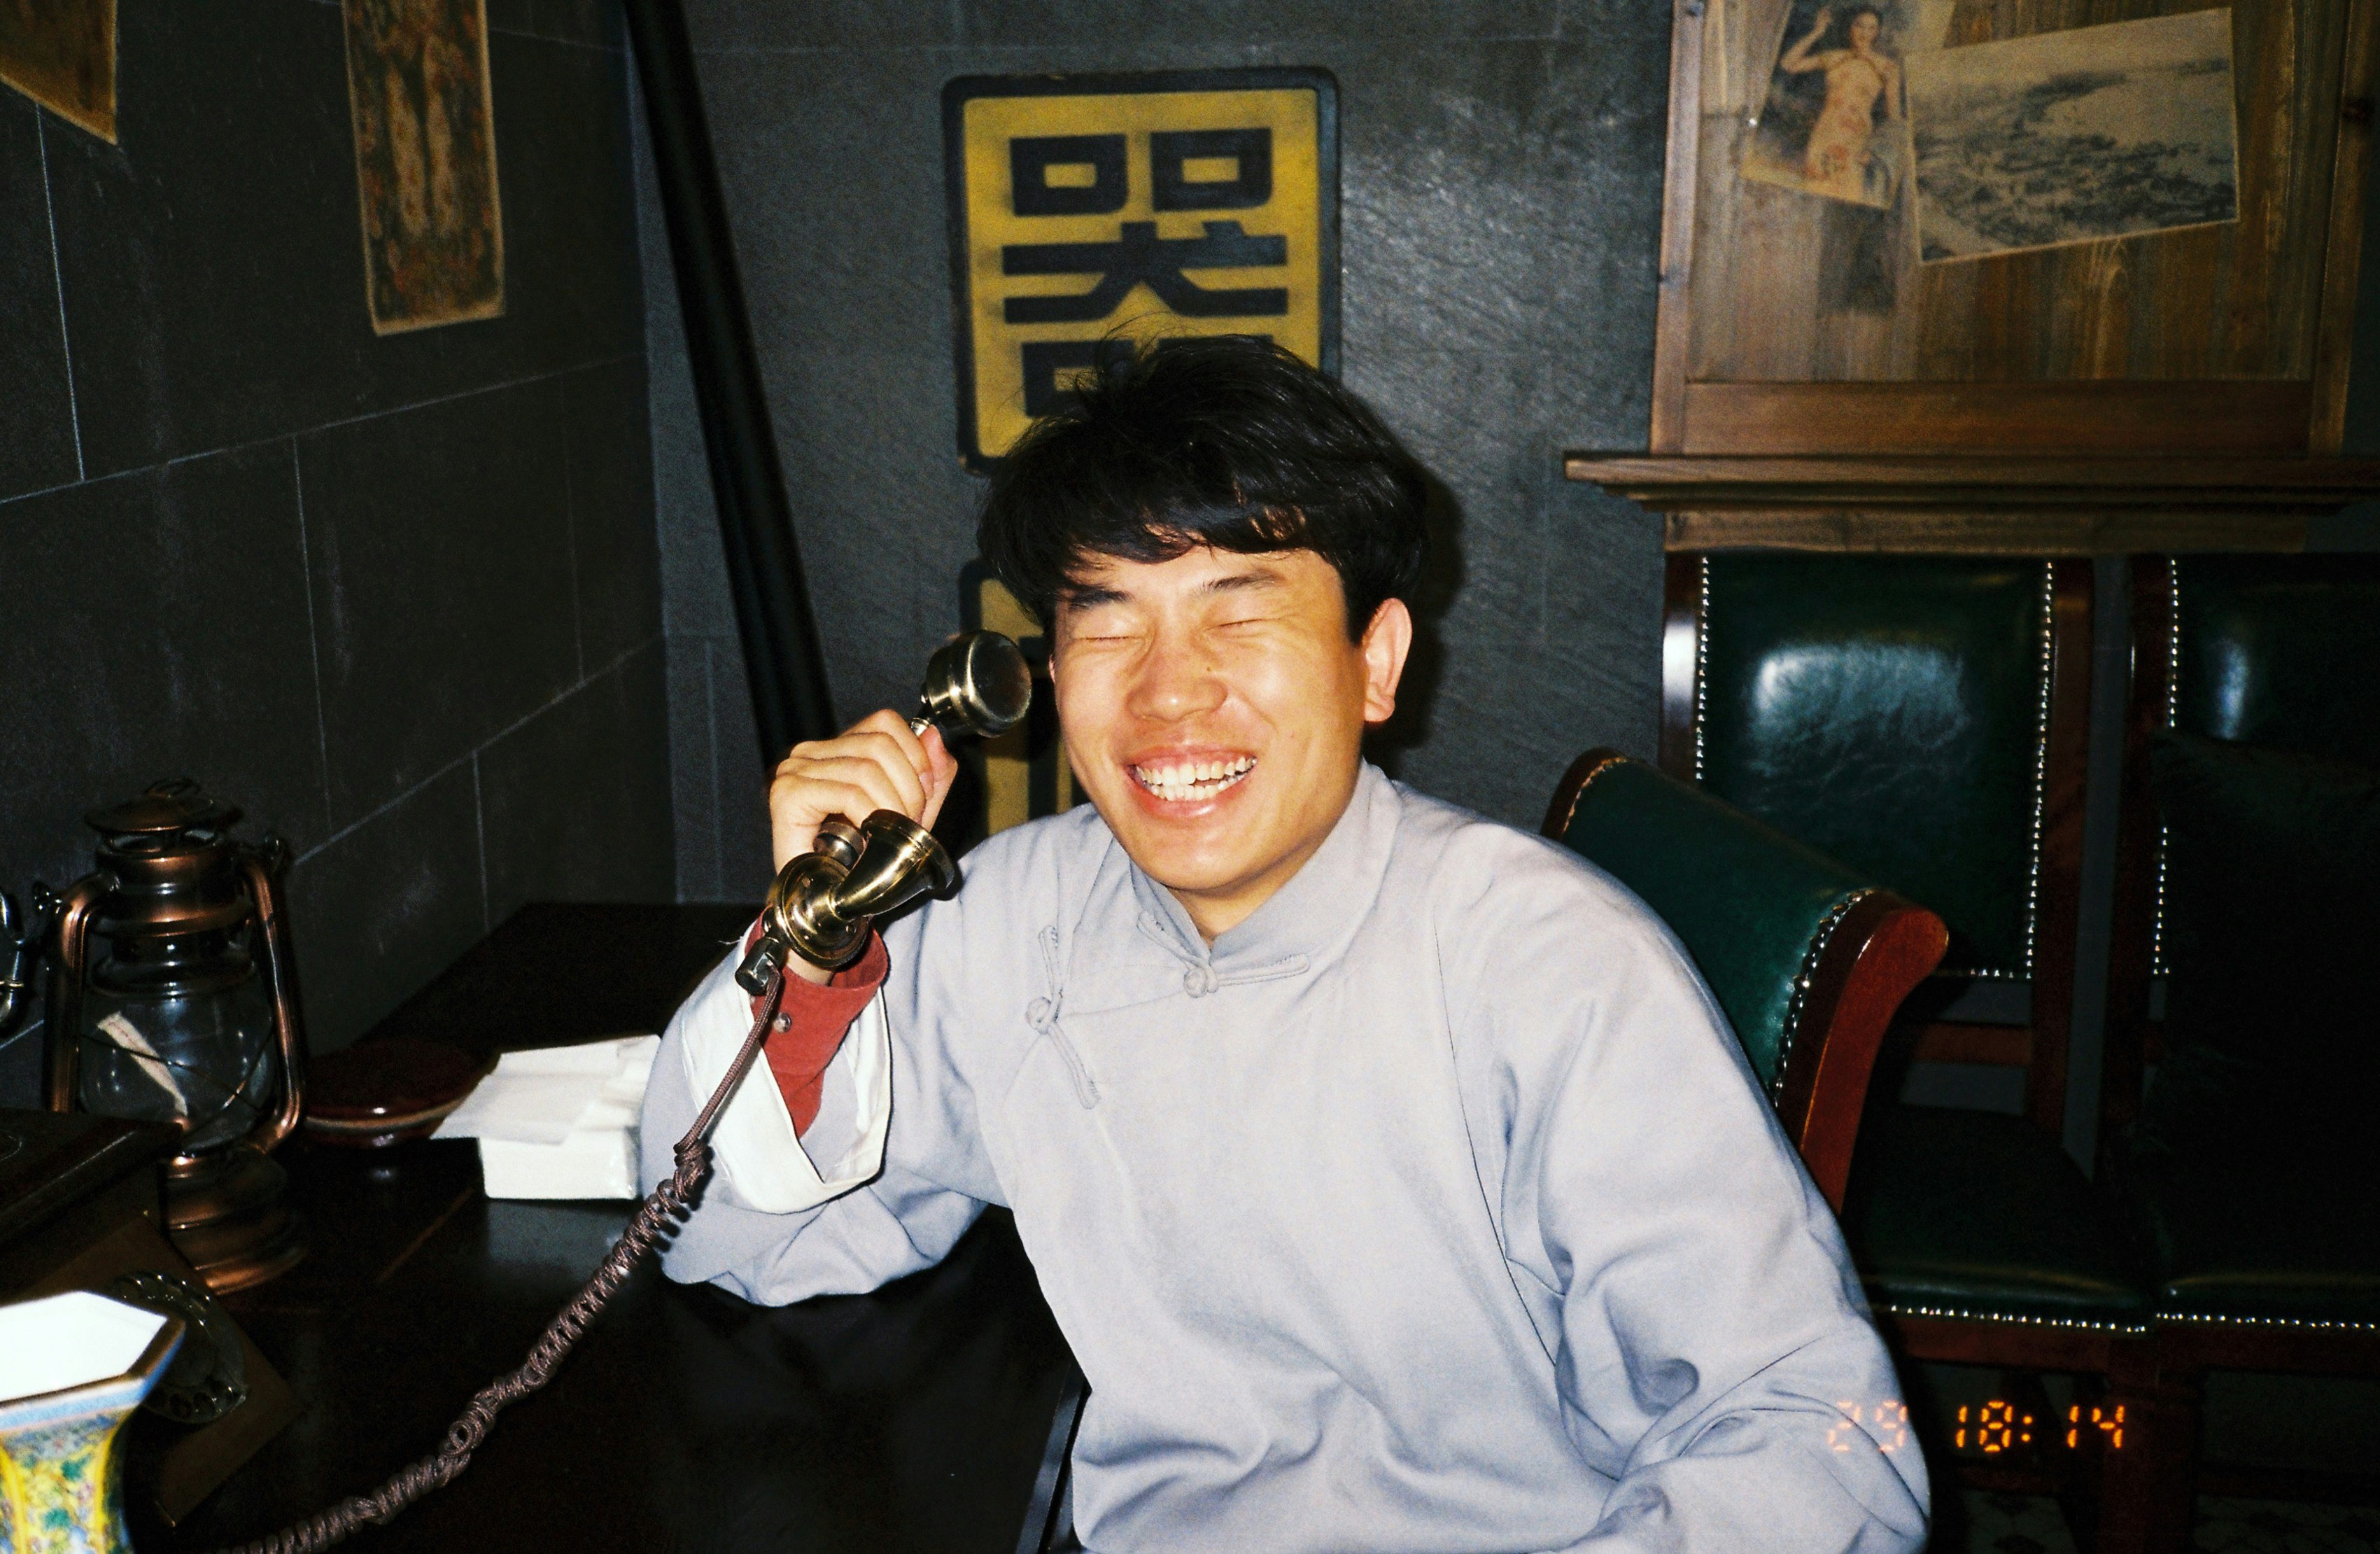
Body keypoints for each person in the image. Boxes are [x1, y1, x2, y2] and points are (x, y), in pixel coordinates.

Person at [640, 336, 1930, 1553]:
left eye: (1237, 612)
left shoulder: (1549, 967)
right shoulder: (1008, 922)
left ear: (1375, 663)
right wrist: (816, 950)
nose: (1166, 691)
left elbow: (1815, 1445)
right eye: (1106, 621)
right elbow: (720, 1234)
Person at [1780, 6, 1901, 204]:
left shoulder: (1887, 67)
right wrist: (1817, 33)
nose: (1864, 33)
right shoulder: (1835, 57)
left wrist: (1874, 149)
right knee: (1813, 195)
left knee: (1846, 200)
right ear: (1850, 28)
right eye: (1859, 26)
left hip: (1857, 142)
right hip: (1824, 136)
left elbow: (1893, 116)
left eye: (1871, 28)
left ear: (1877, 32)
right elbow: (1788, 64)